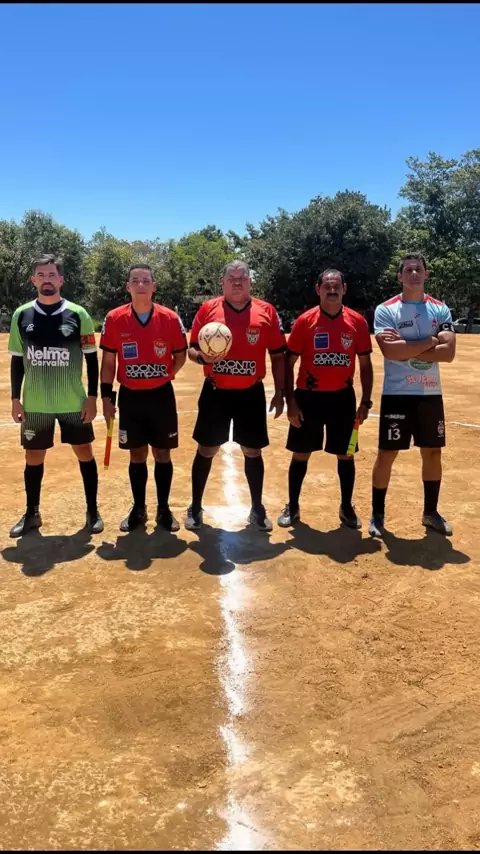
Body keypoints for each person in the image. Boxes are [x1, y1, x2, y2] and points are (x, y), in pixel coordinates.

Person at [184, 259, 286, 532]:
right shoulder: (208, 309)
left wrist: (280, 392)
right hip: (215, 392)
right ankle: (195, 506)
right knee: (206, 449)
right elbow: (191, 349)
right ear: (223, 282)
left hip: (250, 393)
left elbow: (278, 355)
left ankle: (257, 508)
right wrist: (202, 357)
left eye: (243, 278)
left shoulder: (266, 311)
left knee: (253, 450)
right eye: (232, 278)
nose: (237, 282)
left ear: (250, 281)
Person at [8, 254, 103, 537]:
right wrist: (15, 399)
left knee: (84, 452)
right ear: (33, 280)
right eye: (41, 275)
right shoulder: (21, 315)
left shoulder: (78, 314)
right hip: (36, 403)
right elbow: (17, 360)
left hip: (73, 401)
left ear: (61, 280)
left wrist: (92, 397)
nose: (46, 280)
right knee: (33, 456)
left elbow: (92, 358)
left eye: (52, 275)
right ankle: (32, 513)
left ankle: (92, 510)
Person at [278, 269, 373, 529]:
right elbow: (289, 362)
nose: (332, 290)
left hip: (342, 399)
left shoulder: (357, 322)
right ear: (318, 289)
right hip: (308, 398)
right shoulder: (305, 321)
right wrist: (290, 402)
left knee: (346, 454)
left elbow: (365, 365)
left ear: (344, 289)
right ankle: (293, 505)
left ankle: (346, 507)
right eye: (327, 286)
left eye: (336, 286)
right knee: (301, 453)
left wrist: (365, 401)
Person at [369, 252, 456, 538]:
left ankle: (430, 513)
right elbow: (390, 351)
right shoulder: (386, 310)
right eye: (408, 270)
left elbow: (449, 353)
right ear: (400, 276)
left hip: (430, 392)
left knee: (432, 452)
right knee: (387, 453)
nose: (414, 273)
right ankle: (377, 514)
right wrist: (431, 341)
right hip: (397, 393)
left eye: (419, 269)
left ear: (426, 273)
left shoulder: (440, 309)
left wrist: (408, 347)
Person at [100, 263, 187, 532]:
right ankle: (139, 509)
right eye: (135, 280)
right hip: (130, 397)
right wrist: (106, 397)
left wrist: (164, 375)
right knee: (136, 454)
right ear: (128, 286)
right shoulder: (114, 318)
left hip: (161, 396)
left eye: (146, 280)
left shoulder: (170, 318)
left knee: (162, 453)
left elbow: (180, 355)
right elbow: (108, 362)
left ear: (153, 286)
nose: (140, 285)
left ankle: (164, 509)